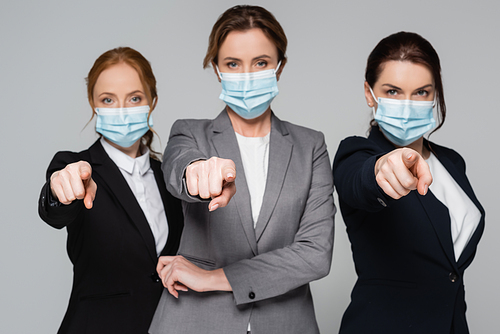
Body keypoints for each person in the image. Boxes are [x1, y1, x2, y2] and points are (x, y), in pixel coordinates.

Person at [148, 5, 335, 334]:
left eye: (260, 63)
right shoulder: (189, 133)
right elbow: (180, 171)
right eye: (233, 64)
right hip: (194, 323)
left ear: (279, 67)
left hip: (286, 322)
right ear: (217, 70)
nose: (247, 75)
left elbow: (316, 254)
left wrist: (212, 279)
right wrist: (200, 174)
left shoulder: (311, 146)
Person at [333, 32, 485, 334]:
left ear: (435, 95)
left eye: (421, 92)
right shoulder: (357, 154)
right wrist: (382, 168)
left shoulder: (452, 162)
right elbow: (360, 182)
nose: (407, 104)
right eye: (392, 91)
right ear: (369, 92)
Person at [38, 47, 183, 334]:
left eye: (134, 98)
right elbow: (56, 210)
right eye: (108, 99)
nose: (122, 110)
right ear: (93, 104)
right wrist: (60, 189)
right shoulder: (75, 166)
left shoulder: (171, 177)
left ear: (152, 102)